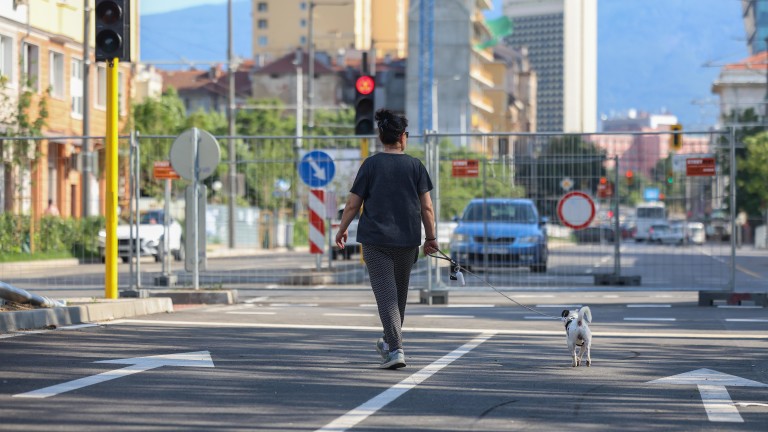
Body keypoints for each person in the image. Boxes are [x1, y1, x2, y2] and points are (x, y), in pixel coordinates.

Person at [335, 108, 439, 369]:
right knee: (397, 297)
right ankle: (390, 343)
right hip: (407, 241)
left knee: (387, 295)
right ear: (403, 136)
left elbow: (352, 204)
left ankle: (395, 349)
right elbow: (427, 207)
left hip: (375, 241)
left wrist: (342, 228)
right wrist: (431, 238)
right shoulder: (415, 166)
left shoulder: (370, 164)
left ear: (381, 136)